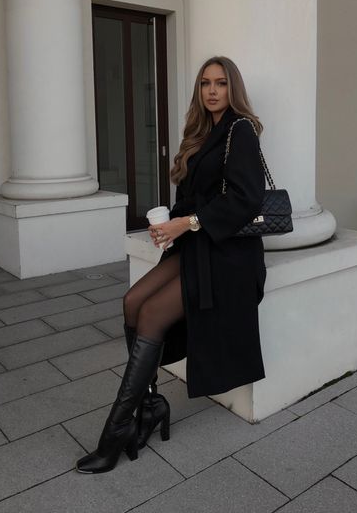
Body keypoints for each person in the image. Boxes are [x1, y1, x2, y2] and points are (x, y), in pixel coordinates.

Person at [76, 55, 267, 474]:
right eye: (205, 84)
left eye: (220, 83)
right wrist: (167, 224)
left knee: (151, 316)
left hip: (226, 255)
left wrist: (188, 222)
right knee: (132, 302)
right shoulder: (203, 132)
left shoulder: (241, 131)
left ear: (232, 88)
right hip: (196, 245)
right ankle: (151, 405)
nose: (212, 91)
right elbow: (194, 195)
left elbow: (245, 198)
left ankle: (116, 433)